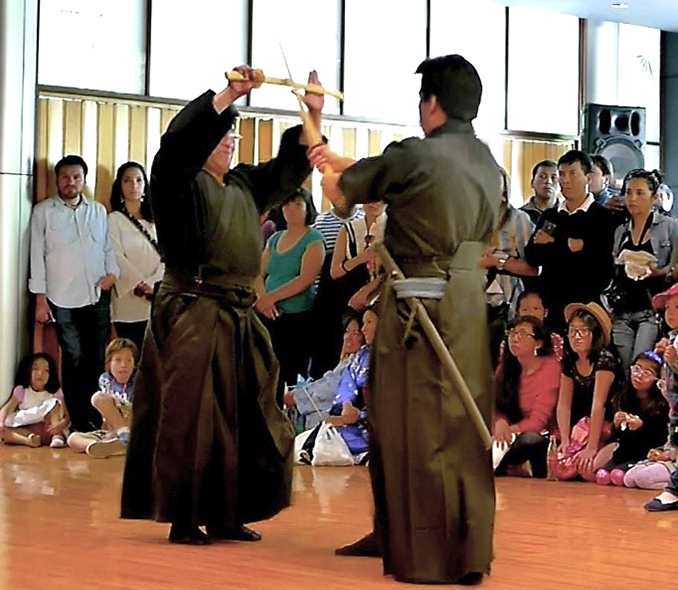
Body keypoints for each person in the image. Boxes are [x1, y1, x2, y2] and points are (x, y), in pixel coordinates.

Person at [310, 54, 500, 585]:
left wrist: (315, 126)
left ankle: (427, 555)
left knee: (410, 425)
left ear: (432, 103)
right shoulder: (488, 162)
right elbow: (403, 182)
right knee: (461, 425)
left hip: (420, 307)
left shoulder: (414, 154)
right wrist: (338, 154)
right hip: (466, 304)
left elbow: (337, 193)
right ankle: (468, 550)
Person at [120, 66, 324, 545]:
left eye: (233, 133)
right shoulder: (177, 180)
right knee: (192, 418)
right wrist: (230, 93)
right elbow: (176, 147)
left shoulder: (243, 185)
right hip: (192, 307)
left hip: (237, 311)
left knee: (244, 415)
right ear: (202, 140)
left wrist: (311, 116)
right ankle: (185, 516)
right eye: (221, 133)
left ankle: (229, 512)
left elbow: (285, 171)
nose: (230, 140)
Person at [29, 155, 120, 431]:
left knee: (95, 358)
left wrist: (112, 274)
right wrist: (40, 298)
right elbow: (36, 255)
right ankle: (78, 421)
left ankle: (95, 420)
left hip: (96, 295)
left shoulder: (97, 211)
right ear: (57, 179)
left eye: (76, 177)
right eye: (65, 177)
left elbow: (107, 247)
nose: (71, 182)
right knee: (73, 357)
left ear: (84, 180)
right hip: (61, 297)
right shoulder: (43, 212)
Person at [525, 151, 615, 333]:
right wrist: (569, 246)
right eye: (562, 175)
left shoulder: (603, 218)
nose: (565, 180)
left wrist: (553, 243)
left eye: (572, 174)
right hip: (551, 305)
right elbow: (533, 256)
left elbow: (598, 265)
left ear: (588, 178)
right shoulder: (551, 216)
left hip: (585, 307)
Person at [255, 188, 325, 398]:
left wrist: (271, 298)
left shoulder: (314, 238)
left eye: (297, 204)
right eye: (287, 204)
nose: (291, 209)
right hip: (267, 313)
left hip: (296, 317)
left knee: (290, 372)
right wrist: (263, 300)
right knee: (264, 368)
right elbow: (257, 273)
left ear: (307, 207)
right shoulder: (275, 238)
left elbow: (305, 279)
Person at [607, 168, 678, 372]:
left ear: (654, 197)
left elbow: (675, 269)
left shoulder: (669, 227)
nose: (632, 198)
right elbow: (615, 270)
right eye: (628, 192)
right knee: (625, 368)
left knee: (643, 364)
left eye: (639, 193)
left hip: (650, 309)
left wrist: (660, 272)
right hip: (622, 309)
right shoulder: (621, 231)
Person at [556, 302, 622, 481]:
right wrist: (565, 441)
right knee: (561, 468)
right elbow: (563, 405)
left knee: (587, 471)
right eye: (572, 330)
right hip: (582, 428)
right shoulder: (570, 362)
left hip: (609, 427)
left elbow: (598, 405)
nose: (576, 336)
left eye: (583, 331)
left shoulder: (604, 359)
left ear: (594, 334)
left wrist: (592, 447)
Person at [480, 168, 537, 363]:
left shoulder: (517, 219)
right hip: (472, 301)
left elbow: (533, 267)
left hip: (505, 303)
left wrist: (498, 262)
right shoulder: (469, 219)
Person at [494, 317, 561, 478]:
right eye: (512, 333)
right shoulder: (506, 367)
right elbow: (494, 404)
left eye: (523, 334)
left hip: (542, 435)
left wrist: (507, 431)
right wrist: (499, 421)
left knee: (530, 440)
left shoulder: (551, 368)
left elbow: (538, 422)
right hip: (509, 434)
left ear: (538, 343)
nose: (515, 338)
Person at [108, 161, 165, 352]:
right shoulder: (114, 219)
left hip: (156, 297)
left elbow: (167, 256)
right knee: (131, 355)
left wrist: (152, 284)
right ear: (120, 186)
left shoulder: (156, 219)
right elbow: (116, 256)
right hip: (128, 300)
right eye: (128, 181)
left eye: (139, 180)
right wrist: (140, 284)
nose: (134, 185)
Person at [595, 351, 669, 485]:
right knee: (602, 476)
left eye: (647, 373)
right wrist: (617, 424)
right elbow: (619, 436)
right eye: (636, 369)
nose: (639, 376)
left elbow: (660, 438)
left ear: (657, 380)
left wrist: (642, 427)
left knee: (618, 476)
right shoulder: (624, 396)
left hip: (645, 454)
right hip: (624, 451)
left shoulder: (662, 404)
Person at [309, 203, 365, 379]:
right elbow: (329, 271)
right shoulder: (321, 224)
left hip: (360, 294)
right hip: (329, 295)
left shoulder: (371, 223)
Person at [284, 314, 365, 432]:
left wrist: (297, 397)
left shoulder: (359, 363)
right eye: (347, 331)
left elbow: (328, 389)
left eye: (356, 333)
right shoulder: (348, 360)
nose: (348, 337)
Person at [67, 338, 138, 458]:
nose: (123, 365)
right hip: (112, 431)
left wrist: (121, 430)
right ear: (109, 363)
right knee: (72, 439)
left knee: (97, 397)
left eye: (128, 361)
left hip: (133, 428)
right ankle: (102, 446)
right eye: (118, 360)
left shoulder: (139, 382)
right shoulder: (106, 380)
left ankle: (124, 435)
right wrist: (111, 434)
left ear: (134, 365)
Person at [0, 353, 69, 448]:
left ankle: (57, 437)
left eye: (46, 370)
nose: (40, 374)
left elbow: (66, 415)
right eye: (35, 369)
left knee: (55, 405)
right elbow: (7, 408)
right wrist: (1, 423)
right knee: (5, 431)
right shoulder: (22, 391)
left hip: (49, 429)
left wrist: (61, 425)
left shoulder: (55, 393)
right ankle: (28, 441)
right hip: (28, 429)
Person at [520, 159, 560, 224]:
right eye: (543, 176)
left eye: (553, 177)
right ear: (532, 183)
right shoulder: (520, 215)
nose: (548, 182)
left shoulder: (568, 215)